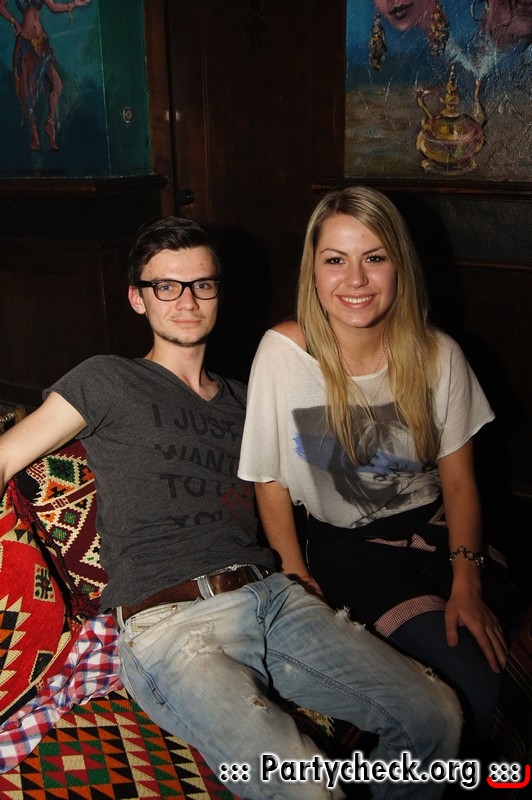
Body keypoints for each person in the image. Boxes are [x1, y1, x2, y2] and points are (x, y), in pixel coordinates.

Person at [0, 216, 462, 799]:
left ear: (219, 293)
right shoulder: (107, 379)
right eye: (166, 286)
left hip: (274, 600)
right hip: (170, 625)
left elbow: (335, 471)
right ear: (137, 298)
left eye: (202, 285)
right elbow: (5, 456)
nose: (186, 301)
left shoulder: (249, 400)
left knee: (435, 714)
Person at [238, 186, 526, 751]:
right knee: (474, 681)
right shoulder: (284, 352)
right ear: (313, 270)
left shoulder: (439, 354)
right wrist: (295, 575)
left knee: (509, 655)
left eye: (374, 257)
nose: (356, 280)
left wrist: (466, 580)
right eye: (335, 260)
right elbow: (268, 479)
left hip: (437, 533)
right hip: (350, 552)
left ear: (400, 266)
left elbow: (459, 481)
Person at [0, 0, 91, 151]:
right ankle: (35, 133)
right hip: (26, 44)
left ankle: (50, 123)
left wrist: (74, 5)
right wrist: (14, 21)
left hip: (41, 43)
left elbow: (54, 7)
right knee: (28, 91)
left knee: (57, 84)